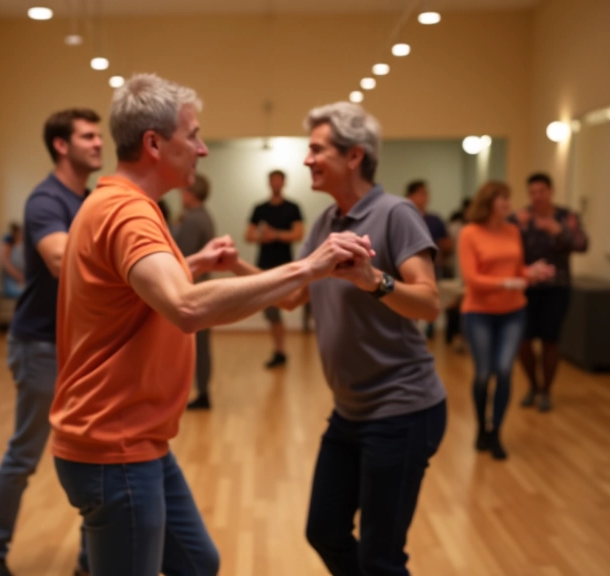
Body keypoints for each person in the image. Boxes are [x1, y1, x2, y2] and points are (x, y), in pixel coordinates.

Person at [50, 74, 370, 576]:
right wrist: (310, 266)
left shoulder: (121, 204)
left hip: (139, 439)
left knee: (198, 564)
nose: (202, 149)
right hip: (114, 445)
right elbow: (186, 309)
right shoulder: (128, 212)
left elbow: (136, 290)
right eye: (193, 135)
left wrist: (194, 262)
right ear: (154, 143)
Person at [234, 102, 449, 576]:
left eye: (316, 149)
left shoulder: (397, 214)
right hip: (351, 410)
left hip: (403, 409)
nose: (307, 159)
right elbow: (292, 298)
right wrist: (234, 267)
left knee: (381, 557)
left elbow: (430, 302)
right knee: (324, 530)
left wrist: (376, 281)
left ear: (354, 156)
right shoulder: (326, 222)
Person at [0, 108, 103, 576]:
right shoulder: (45, 200)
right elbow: (59, 258)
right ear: (61, 145)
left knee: (95, 456)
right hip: (39, 347)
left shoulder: (88, 200)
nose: (98, 143)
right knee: (25, 455)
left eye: (98, 135)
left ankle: (91, 560)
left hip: (79, 349)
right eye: (88, 136)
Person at [458, 182, 554, 460]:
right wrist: (509, 282)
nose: (507, 204)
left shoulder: (512, 231)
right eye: (502, 198)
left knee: (503, 370)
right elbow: (472, 279)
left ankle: (496, 431)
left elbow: (516, 270)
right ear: (489, 202)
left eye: (508, 199)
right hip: (479, 312)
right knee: (483, 373)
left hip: (513, 311)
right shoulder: (470, 233)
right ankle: (481, 427)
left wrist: (531, 272)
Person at [512, 173, 589, 412]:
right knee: (523, 341)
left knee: (550, 340)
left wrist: (558, 230)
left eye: (541, 192)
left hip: (557, 287)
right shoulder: (520, 218)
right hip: (526, 288)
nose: (537, 197)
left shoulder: (566, 217)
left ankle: (546, 391)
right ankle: (532, 386)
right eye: (532, 192)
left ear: (551, 191)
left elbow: (582, 244)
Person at [245, 169, 304, 368]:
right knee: (271, 312)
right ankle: (280, 351)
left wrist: (276, 235)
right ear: (269, 183)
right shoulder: (259, 208)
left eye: (279, 180)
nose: (276, 184)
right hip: (265, 266)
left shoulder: (293, 208)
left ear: (284, 183)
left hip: (286, 266)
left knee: (286, 304)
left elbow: (298, 234)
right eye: (273, 181)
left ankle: (280, 351)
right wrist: (263, 236)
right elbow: (248, 235)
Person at [174, 174, 216, 410]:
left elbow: (184, 254)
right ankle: (202, 391)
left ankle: (201, 393)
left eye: (183, 192)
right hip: (200, 289)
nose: (180, 196)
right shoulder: (200, 217)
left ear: (192, 194)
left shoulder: (194, 220)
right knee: (200, 345)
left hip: (193, 291)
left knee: (197, 347)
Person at [406, 180, 453, 339]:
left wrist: (438, 257)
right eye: (421, 193)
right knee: (409, 302)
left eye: (426, 193)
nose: (425, 197)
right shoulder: (402, 217)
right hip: (405, 270)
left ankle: (429, 331)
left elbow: (447, 244)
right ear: (410, 196)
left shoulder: (434, 220)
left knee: (429, 301)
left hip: (432, 269)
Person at [443, 198, 471, 351]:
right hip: (457, 272)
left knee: (461, 305)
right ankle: (455, 337)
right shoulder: (456, 228)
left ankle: (460, 338)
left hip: (467, 276)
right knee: (457, 304)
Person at [0, 223, 25, 298]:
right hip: (11, 280)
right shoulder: (8, 243)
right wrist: (19, 277)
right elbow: (5, 262)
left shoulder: (23, 245)